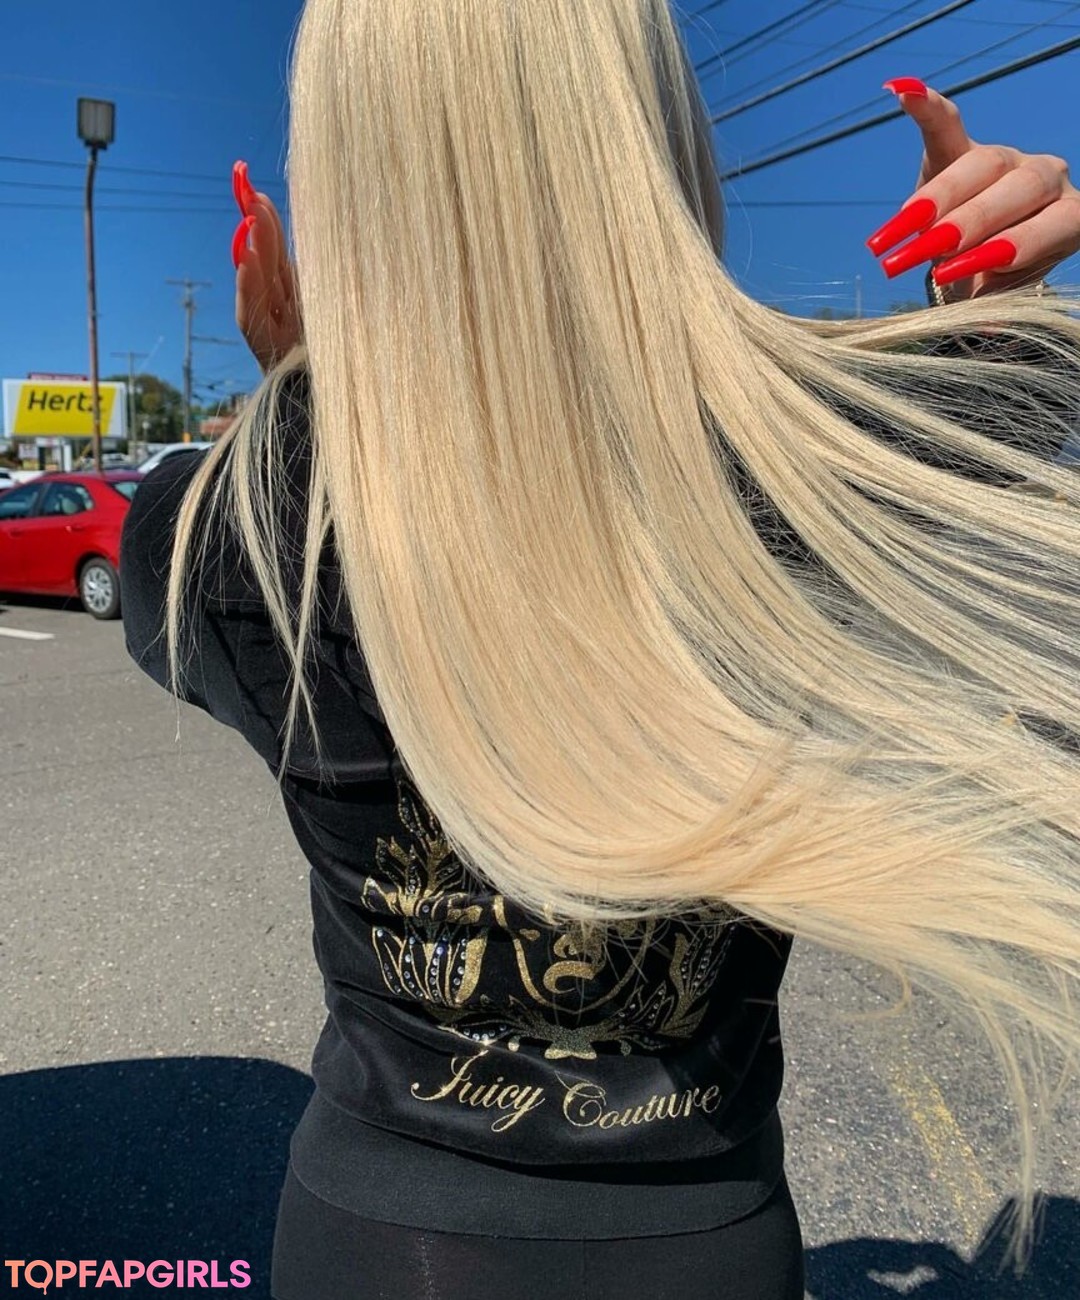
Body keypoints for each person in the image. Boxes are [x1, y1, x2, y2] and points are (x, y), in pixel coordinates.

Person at [120, 3, 1080, 1297]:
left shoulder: (215, 530)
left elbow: (233, 595)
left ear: (345, 165)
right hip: (702, 1236)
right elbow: (1012, 417)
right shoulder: (823, 465)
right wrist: (997, 320)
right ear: (656, 131)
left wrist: (303, 391)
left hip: (379, 1238)